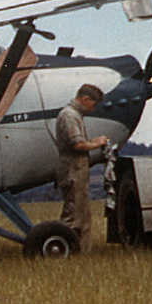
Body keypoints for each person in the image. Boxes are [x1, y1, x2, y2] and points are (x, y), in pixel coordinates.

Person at [55, 84, 110, 252]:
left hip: (76, 170)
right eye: (93, 105)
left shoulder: (73, 115)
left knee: (81, 216)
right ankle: (66, 251)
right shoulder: (70, 115)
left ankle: (79, 253)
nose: (93, 110)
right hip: (73, 170)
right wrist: (97, 143)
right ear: (85, 99)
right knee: (74, 217)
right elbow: (77, 144)